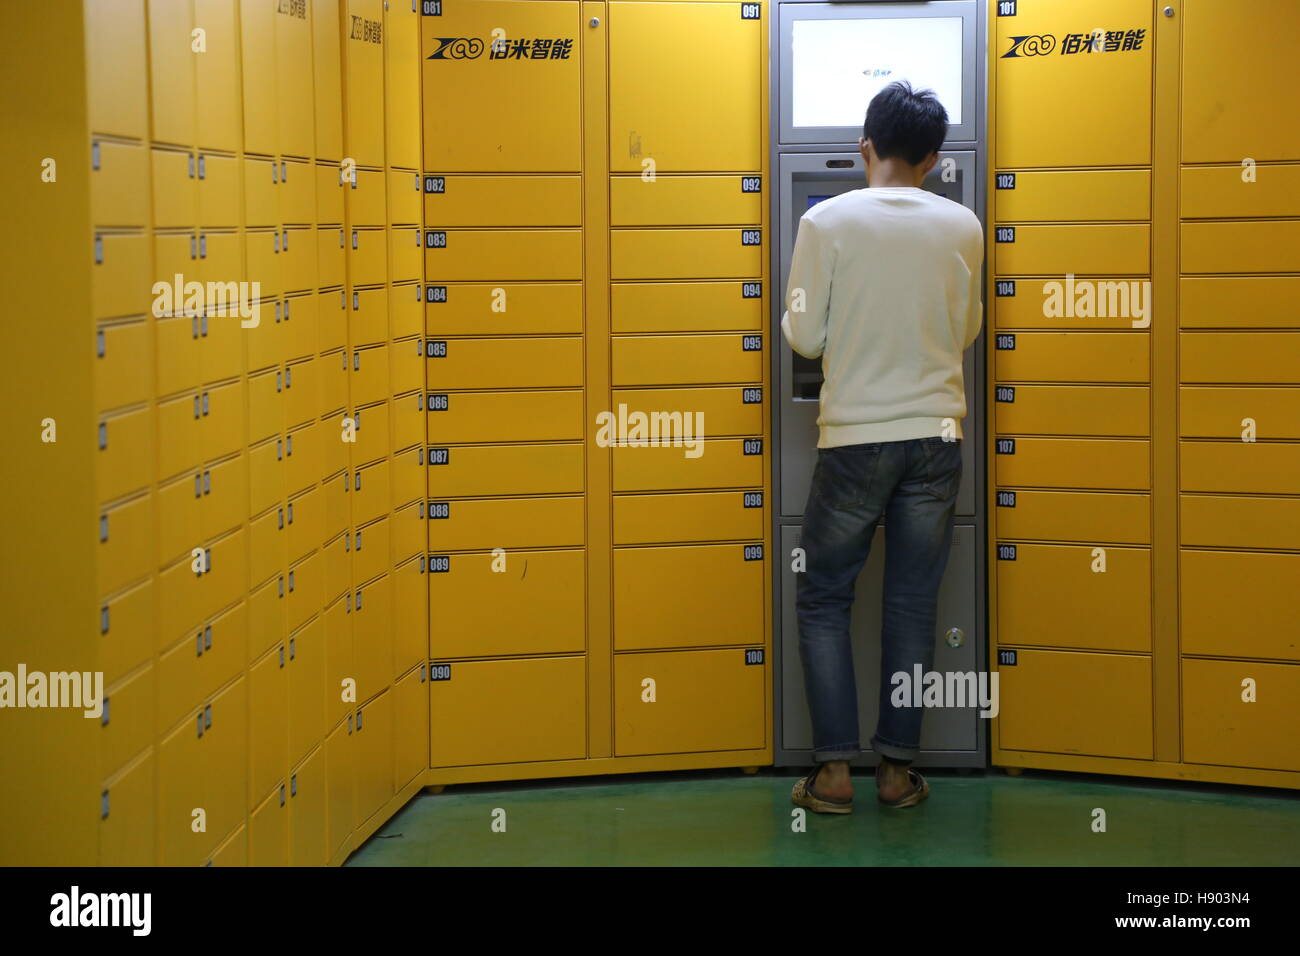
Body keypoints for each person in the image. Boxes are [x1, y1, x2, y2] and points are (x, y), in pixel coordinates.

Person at [782, 81, 984, 812]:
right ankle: (897, 775)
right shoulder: (963, 225)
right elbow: (965, 330)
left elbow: (804, 336)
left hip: (856, 439)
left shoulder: (827, 222)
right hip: (936, 438)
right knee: (910, 606)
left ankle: (833, 776)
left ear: (866, 146)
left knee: (825, 598)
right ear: (933, 157)